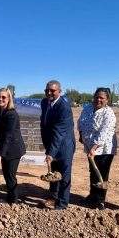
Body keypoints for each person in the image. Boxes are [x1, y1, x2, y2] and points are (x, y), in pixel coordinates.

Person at [78, 87, 117, 210]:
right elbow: (80, 122)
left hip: (104, 148)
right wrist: (81, 136)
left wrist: (94, 148)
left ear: (107, 100)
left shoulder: (109, 113)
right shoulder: (87, 108)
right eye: (97, 97)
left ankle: (100, 200)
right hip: (90, 145)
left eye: (102, 98)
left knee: (102, 173)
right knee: (93, 171)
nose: (98, 100)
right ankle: (92, 196)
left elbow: (104, 133)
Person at [40, 80, 75, 210]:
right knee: (53, 174)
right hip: (52, 145)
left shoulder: (64, 108)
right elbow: (43, 123)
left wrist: (51, 152)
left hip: (64, 147)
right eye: (47, 90)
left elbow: (59, 133)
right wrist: (48, 147)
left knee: (64, 176)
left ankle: (62, 203)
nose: (49, 93)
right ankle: (53, 197)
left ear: (60, 91)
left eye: (52, 91)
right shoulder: (44, 103)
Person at [0, 88, 26, 205]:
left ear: (8, 99)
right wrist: (0, 152)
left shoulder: (11, 114)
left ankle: (14, 200)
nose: (0, 99)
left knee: (11, 176)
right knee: (7, 175)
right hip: (6, 148)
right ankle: (9, 197)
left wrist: (0, 154)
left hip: (13, 150)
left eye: (3, 97)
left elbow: (8, 136)